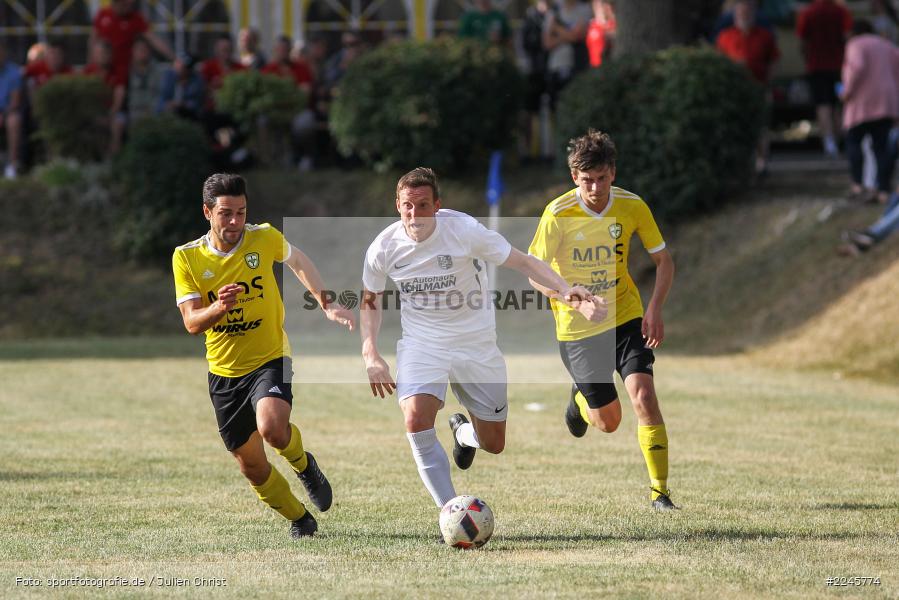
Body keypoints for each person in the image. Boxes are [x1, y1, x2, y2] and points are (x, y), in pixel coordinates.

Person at [360, 167, 594, 528]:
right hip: (423, 344)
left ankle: (463, 434)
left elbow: (523, 261)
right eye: (407, 206)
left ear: (438, 205)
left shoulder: (464, 231)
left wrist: (566, 291)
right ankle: (451, 516)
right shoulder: (383, 247)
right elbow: (370, 300)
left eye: (423, 205)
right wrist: (371, 354)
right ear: (397, 206)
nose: (414, 214)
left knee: (494, 442)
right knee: (415, 419)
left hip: (476, 343)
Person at [172, 173, 355, 538]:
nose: (235, 222)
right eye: (225, 213)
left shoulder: (264, 237)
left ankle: (305, 466)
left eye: (241, 212)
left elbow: (298, 260)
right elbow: (192, 322)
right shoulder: (187, 257)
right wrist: (219, 307)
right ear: (207, 212)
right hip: (224, 373)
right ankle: (300, 519)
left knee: (272, 427)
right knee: (252, 467)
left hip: (270, 357)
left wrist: (326, 303)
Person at [528, 130, 678, 511]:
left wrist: (655, 308)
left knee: (644, 396)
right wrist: (570, 298)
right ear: (574, 177)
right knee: (609, 422)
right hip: (577, 328)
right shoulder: (558, 214)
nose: (595, 188)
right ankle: (579, 401)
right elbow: (534, 273)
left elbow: (663, 261)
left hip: (625, 315)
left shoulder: (631, 206)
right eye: (586, 180)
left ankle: (660, 493)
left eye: (601, 178)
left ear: (613, 172)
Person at [839, 19, 899, 205]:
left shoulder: (856, 44)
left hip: (862, 103)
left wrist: (847, 92)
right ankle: (883, 189)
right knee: (882, 147)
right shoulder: (887, 45)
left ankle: (858, 185)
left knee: (853, 141)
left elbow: (857, 67)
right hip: (886, 101)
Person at [716, 0, 780, 173]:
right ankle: (739, 162)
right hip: (734, 90)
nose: (744, 16)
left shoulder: (764, 35)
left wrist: (769, 82)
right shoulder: (725, 36)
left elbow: (774, 60)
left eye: (747, 13)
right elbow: (718, 61)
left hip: (759, 86)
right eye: (741, 13)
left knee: (760, 125)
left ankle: (761, 161)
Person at [796, 0, 853, 157]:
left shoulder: (808, 12)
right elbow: (848, 36)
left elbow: (802, 41)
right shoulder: (841, 12)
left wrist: (807, 58)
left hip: (817, 68)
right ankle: (840, 138)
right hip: (839, 69)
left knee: (823, 104)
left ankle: (829, 141)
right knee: (839, 103)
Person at [91, 0, 173, 84]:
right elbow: (93, 40)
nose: (129, 7)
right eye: (125, 4)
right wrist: (91, 61)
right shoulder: (103, 15)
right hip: (106, 70)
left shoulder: (136, 18)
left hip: (126, 71)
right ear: (116, 3)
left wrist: (172, 58)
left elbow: (153, 39)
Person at [839, 189, 899, 256]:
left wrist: (853, 236)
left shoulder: (854, 244)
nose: (845, 247)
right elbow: (869, 241)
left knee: (893, 213)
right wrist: (853, 237)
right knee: (895, 217)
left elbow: (864, 234)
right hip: (877, 232)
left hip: (876, 229)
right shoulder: (858, 249)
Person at [0, 43, 23, 179]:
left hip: (8, 112)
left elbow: (15, 101)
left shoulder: (13, 72)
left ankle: (12, 165)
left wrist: (3, 114)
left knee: (14, 121)